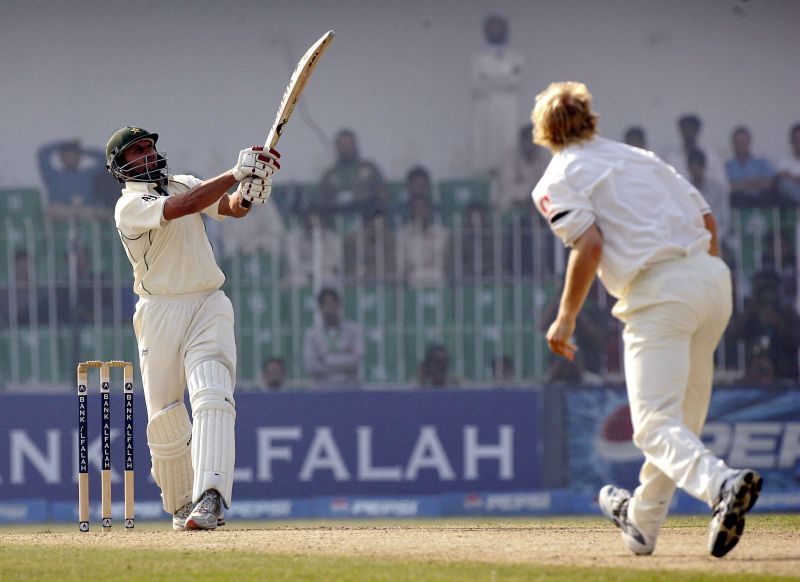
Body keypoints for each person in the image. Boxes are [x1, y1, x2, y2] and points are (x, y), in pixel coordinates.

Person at [531, 82, 762, 559]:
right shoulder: (640, 157)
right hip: (711, 279)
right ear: (590, 119)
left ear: (544, 131)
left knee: (653, 426)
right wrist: (699, 282)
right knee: (679, 424)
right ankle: (643, 521)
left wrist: (565, 319)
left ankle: (722, 485)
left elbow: (589, 246)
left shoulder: (555, 180)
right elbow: (710, 223)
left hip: (659, 292)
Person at [106, 125, 280, 531]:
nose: (148, 154)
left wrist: (249, 193)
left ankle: (211, 498)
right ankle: (181, 503)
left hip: (207, 302)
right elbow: (182, 207)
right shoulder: (129, 205)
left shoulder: (182, 181)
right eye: (137, 152)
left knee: (212, 392)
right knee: (166, 421)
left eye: (150, 146)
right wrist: (236, 172)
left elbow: (229, 207)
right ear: (120, 167)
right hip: (158, 312)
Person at [470, 14, 524, 178]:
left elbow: (516, 82)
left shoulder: (516, 56)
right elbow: (477, 85)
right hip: (485, 112)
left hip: (508, 111)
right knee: (486, 152)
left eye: (499, 27)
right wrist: (502, 78)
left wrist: (490, 77)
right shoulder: (477, 58)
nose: (496, 31)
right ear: (485, 31)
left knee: (508, 150)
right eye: (492, 27)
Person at [314, 128, 388, 219]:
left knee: (376, 207)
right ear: (337, 147)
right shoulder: (329, 174)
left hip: (365, 209)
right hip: (338, 210)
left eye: (349, 144)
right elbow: (321, 199)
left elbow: (383, 192)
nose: (346, 148)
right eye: (342, 144)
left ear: (355, 145)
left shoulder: (369, 167)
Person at [398, 171, 452, 287]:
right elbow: (401, 264)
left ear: (430, 211)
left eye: (423, 209)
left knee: (438, 276)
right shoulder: (402, 234)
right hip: (412, 276)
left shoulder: (443, 233)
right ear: (411, 211)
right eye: (416, 209)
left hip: (437, 274)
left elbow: (446, 263)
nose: (420, 213)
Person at [303, 287, 364, 388]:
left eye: (332, 303)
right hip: (322, 391)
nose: (329, 308)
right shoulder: (312, 334)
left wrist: (325, 359)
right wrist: (344, 355)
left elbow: (356, 361)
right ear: (319, 307)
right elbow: (311, 366)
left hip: (350, 390)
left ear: (339, 305)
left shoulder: (354, 330)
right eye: (325, 304)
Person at [38, 139, 108, 217]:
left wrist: (83, 151)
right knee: (52, 210)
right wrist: (66, 143)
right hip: (60, 210)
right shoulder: (52, 175)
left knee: (104, 213)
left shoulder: (88, 175)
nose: (71, 159)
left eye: (75, 156)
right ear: (61, 159)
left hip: (85, 210)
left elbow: (105, 159)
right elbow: (43, 153)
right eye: (68, 156)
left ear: (80, 158)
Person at [663, 114, 728, 190]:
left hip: (706, 199)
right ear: (680, 131)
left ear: (697, 131)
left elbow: (722, 185)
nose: (688, 133)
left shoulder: (711, 157)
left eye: (691, 129)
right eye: (685, 129)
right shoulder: (669, 158)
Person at [498, 124, 551, 213]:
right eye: (529, 140)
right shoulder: (510, 155)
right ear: (521, 141)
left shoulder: (543, 154)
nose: (533, 144)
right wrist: (528, 192)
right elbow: (507, 186)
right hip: (513, 202)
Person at [725, 126, 777, 204]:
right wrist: (746, 184)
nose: (741, 146)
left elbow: (771, 182)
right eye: (738, 143)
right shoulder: (727, 166)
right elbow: (726, 187)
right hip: (738, 201)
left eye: (744, 143)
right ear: (733, 144)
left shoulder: (762, 162)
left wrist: (749, 184)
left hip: (761, 200)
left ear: (749, 142)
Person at [776, 122, 800, 203]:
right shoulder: (784, 160)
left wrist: (792, 177)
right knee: (784, 183)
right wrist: (795, 179)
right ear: (792, 142)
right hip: (791, 195)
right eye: (796, 141)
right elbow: (782, 176)